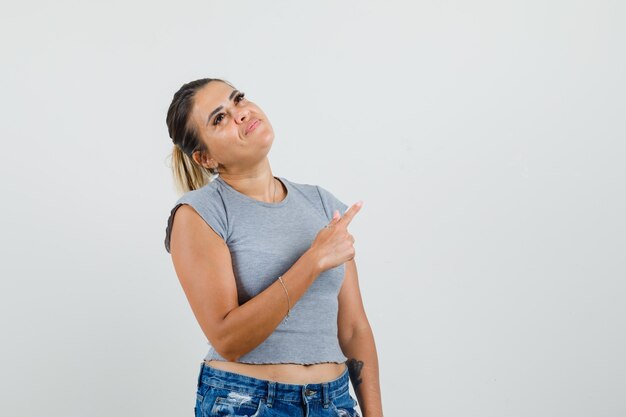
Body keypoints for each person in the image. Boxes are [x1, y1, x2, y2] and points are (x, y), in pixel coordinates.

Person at [164, 78, 383, 417]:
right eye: (219, 118)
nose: (240, 113)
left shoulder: (320, 203)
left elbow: (353, 327)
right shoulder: (199, 214)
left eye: (238, 100)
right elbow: (228, 339)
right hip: (247, 402)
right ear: (204, 157)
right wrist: (312, 261)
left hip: (334, 402)